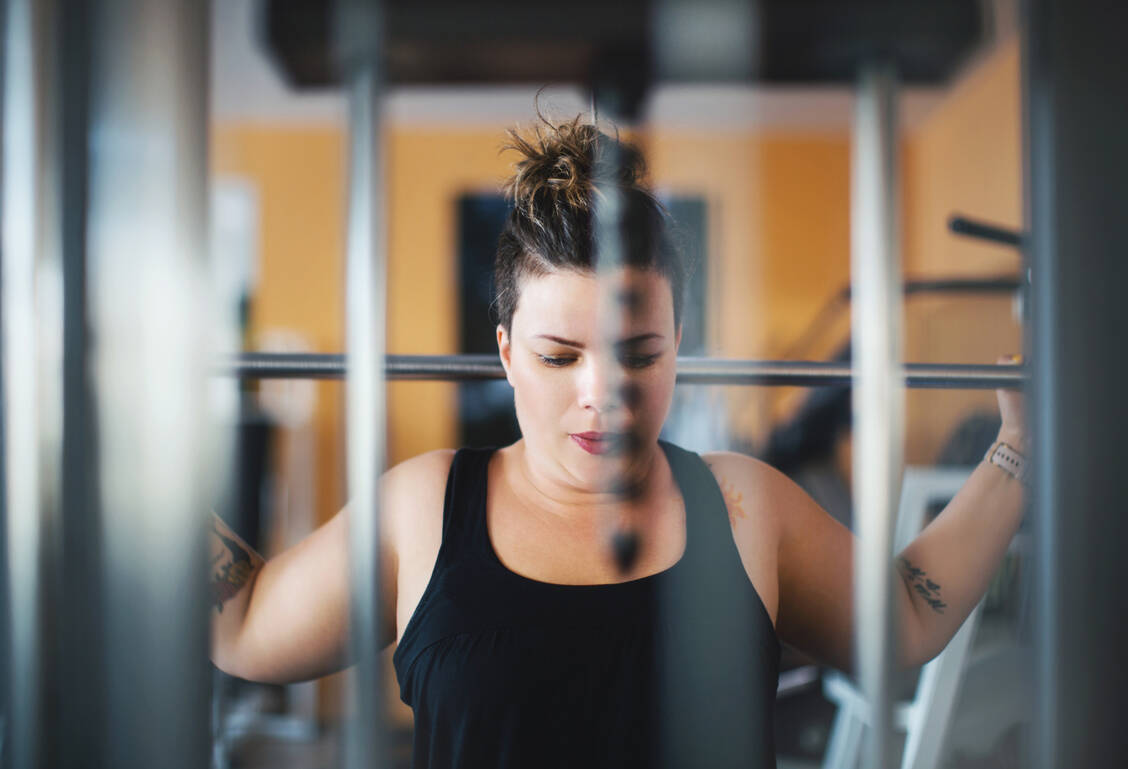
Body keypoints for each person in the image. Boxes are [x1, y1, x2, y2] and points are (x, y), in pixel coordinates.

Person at [208, 116, 1028, 769]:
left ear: (680, 339)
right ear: (504, 352)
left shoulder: (744, 505)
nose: (602, 393)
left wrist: (1018, 449)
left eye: (640, 353)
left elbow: (907, 621)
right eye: (558, 356)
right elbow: (242, 620)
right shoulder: (424, 507)